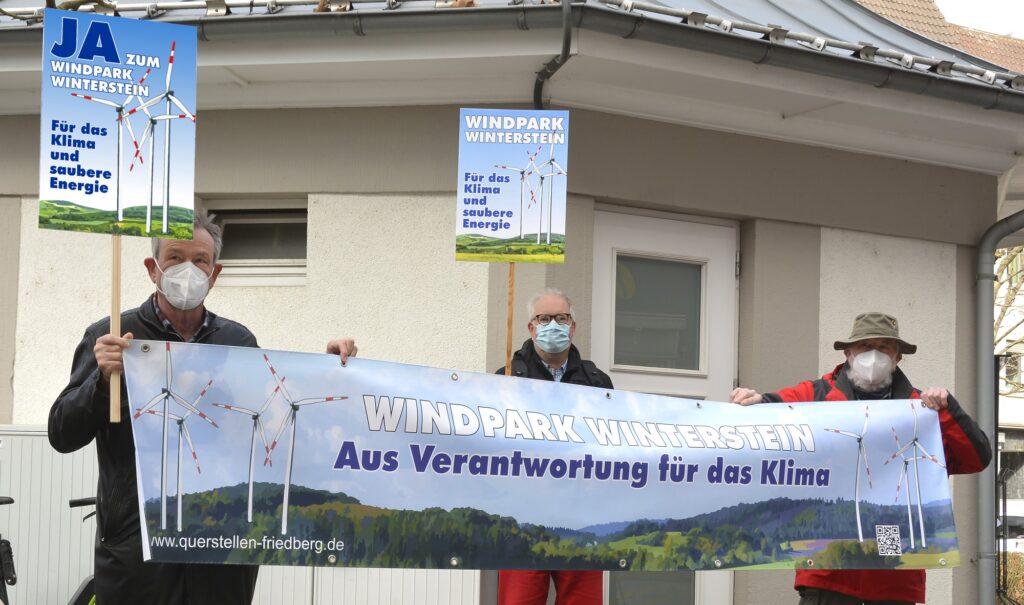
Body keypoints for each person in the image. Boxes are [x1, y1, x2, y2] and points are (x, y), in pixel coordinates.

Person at [48, 211, 358, 605]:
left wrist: (327, 372)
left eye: (200, 261)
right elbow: (61, 432)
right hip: (136, 554)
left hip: (219, 552)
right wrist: (100, 380)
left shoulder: (237, 342)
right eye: (175, 258)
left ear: (215, 273)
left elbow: (277, 419)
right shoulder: (112, 336)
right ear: (152, 267)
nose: (188, 271)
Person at [729, 312, 991, 605]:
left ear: (898, 357)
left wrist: (946, 409)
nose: (874, 355)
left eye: (884, 347)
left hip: (893, 578)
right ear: (848, 352)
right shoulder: (816, 396)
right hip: (829, 571)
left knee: (888, 564)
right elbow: (775, 411)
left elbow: (975, 458)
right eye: (866, 346)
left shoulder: (921, 408)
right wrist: (756, 403)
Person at [495, 287, 613, 605]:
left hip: (583, 520)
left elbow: (613, 447)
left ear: (573, 326)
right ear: (531, 328)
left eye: (561, 318)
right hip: (522, 520)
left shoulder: (598, 382)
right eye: (544, 318)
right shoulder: (504, 379)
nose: (553, 325)